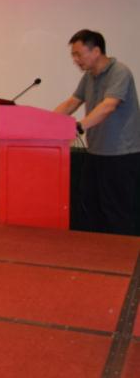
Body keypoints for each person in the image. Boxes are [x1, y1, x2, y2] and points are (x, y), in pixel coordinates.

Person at [54, 29, 140, 235]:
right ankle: (100, 251)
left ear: (96, 51)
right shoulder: (89, 77)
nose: (76, 60)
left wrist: (80, 126)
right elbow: (71, 103)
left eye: (78, 54)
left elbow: (108, 106)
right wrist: (46, 122)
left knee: (118, 212)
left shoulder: (120, 72)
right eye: (73, 55)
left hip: (121, 155)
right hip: (96, 153)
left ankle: (124, 254)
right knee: (91, 206)